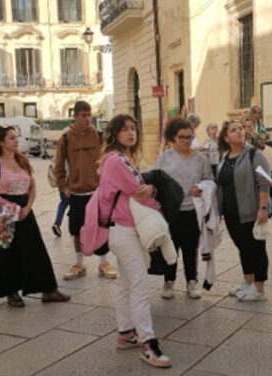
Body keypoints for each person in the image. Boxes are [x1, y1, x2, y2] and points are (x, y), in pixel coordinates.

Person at [97, 114, 171, 368]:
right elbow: (138, 192)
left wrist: (148, 187)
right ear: (114, 133)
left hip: (123, 229)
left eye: (133, 129)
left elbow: (138, 188)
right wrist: (151, 189)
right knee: (139, 285)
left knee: (127, 284)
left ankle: (125, 332)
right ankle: (148, 343)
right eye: (125, 129)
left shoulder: (122, 159)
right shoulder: (116, 161)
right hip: (124, 230)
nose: (131, 133)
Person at [0, 126, 70, 306]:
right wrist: (11, 209)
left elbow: (32, 186)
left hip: (24, 209)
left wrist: (28, 207)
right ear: (1, 142)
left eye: (16, 137)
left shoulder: (23, 161)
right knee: (7, 252)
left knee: (35, 250)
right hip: (4, 211)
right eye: (11, 138)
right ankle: (11, 292)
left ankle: (48, 289)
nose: (16, 140)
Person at [54, 100, 117, 280]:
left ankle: (103, 262)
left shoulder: (99, 136)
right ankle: (79, 263)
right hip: (76, 193)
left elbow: (109, 161)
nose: (87, 118)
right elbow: (58, 165)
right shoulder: (65, 138)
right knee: (76, 229)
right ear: (75, 116)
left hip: (97, 193)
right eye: (83, 115)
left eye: (89, 114)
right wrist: (64, 187)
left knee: (102, 227)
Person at [154, 118, 214, 299]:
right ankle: (168, 281)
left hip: (191, 210)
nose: (186, 141)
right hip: (170, 211)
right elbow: (156, 180)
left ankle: (192, 281)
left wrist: (201, 187)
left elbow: (210, 179)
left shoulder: (200, 160)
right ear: (174, 137)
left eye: (189, 137)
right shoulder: (164, 157)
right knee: (169, 248)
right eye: (182, 137)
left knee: (190, 248)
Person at [217, 121, 270, 301]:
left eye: (240, 129)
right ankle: (248, 282)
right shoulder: (224, 157)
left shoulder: (255, 154)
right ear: (226, 137)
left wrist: (262, 208)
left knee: (256, 249)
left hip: (251, 210)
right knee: (243, 248)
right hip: (231, 212)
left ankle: (259, 288)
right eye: (233, 130)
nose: (238, 132)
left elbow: (264, 182)